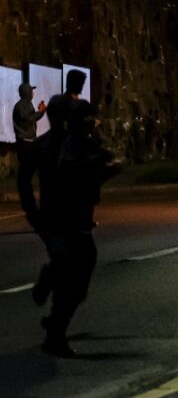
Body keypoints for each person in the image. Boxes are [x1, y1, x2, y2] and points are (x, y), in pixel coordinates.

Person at [34, 70, 119, 355]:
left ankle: (55, 322)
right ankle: (56, 329)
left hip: (76, 217)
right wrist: (103, 167)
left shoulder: (82, 142)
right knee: (76, 275)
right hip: (70, 218)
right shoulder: (75, 144)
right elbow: (74, 176)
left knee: (75, 274)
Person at [12, 81, 46, 222]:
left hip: (30, 143)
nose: (33, 93)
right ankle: (29, 204)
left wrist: (40, 111)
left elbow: (32, 118)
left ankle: (35, 204)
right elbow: (29, 119)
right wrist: (41, 111)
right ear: (26, 92)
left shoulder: (28, 104)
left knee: (37, 172)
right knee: (26, 175)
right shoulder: (20, 106)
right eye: (31, 90)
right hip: (24, 144)